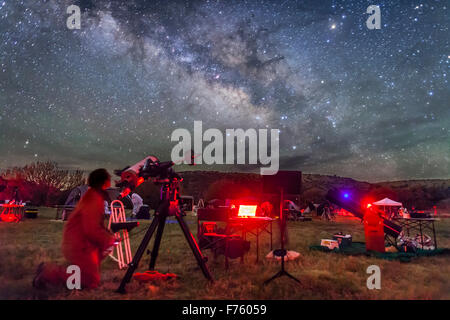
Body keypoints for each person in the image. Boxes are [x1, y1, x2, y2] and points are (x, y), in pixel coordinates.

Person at [33, 169, 117, 290]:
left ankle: (82, 271)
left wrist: (107, 236)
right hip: (79, 244)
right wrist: (108, 239)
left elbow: (95, 226)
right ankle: (47, 273)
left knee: (93, 268)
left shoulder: (92, 196)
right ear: (104, 182)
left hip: (82, 242)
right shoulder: (93, 199)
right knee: (89, 281)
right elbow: (91, 229)